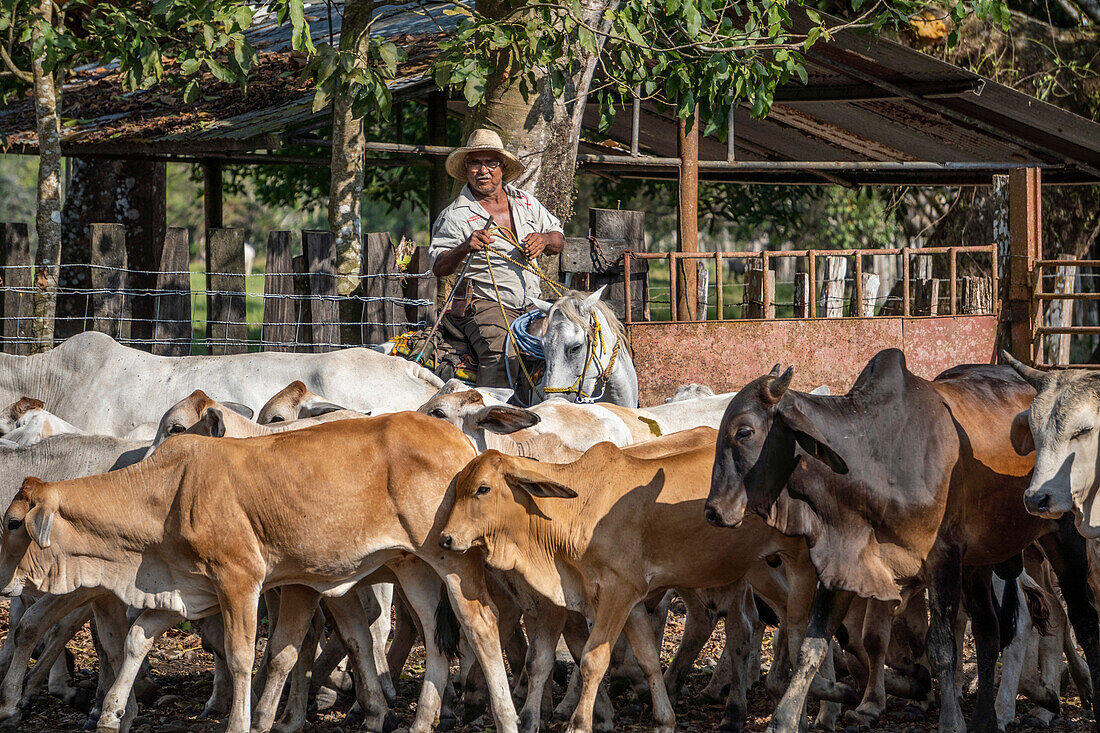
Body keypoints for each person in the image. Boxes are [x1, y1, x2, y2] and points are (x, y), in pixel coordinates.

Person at [429, 129, 565, 388]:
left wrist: (544, 239)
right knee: (503, 352)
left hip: (531, 302)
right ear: (466, 168)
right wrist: (464, 247)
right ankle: (492, 418)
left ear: (502, 167)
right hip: (485, 304)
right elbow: (439, 266)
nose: (483, 171)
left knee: (569, 342)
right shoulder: (455, 215)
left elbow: (559, 239)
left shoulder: (525, 201)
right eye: (475, 163)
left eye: (491, 163)